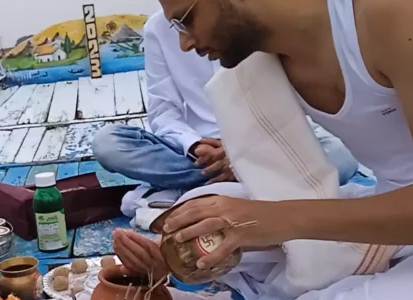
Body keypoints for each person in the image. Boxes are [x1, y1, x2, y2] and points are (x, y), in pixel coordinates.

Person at [114, 0, 413, 300]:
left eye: (186, 19)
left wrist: (274, 222)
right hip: (388, 209)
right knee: (203, 210)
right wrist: (181, 256)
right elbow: (284, 185)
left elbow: (283, 212)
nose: (184, 42)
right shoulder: (264, 57)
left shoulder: (389, 16)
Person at [91, 9, 359, 195]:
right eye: (179, 25)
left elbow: (290, 106)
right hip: (199, 156)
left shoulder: (256, 20)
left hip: (268, 147)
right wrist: (193, 145)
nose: (185, 42)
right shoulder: (158, 29)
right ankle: (254, 182)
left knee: (343, 156)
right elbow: (163, 112)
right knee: (109, 144)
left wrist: (245, 154)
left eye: (187, 19)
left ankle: (224, 183)